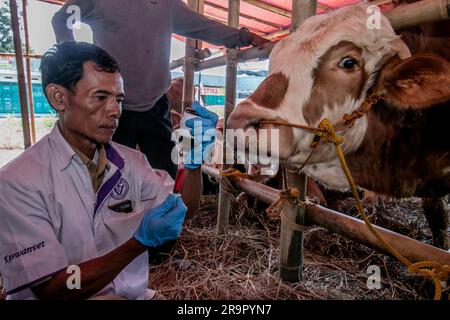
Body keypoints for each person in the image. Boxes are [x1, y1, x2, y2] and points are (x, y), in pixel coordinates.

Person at [0, 41, 216, 300]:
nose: (115, 111)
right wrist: (138, 243)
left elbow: (184, 210)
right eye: (101, 97)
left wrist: (192, 163)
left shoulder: (133, 163)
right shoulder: (18, 181)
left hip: (129, 294)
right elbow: (52, 288)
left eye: (118, 99)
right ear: (59, 97)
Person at [52, 0, 269, 179]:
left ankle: (164, 225)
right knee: (111, 176)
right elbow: (62, 20)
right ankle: (117, 228)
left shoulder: (167, 4)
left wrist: (244, 37)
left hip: (154, 104)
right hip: (112, 107)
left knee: (165, 173)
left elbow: (202, 26)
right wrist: (77, 63)